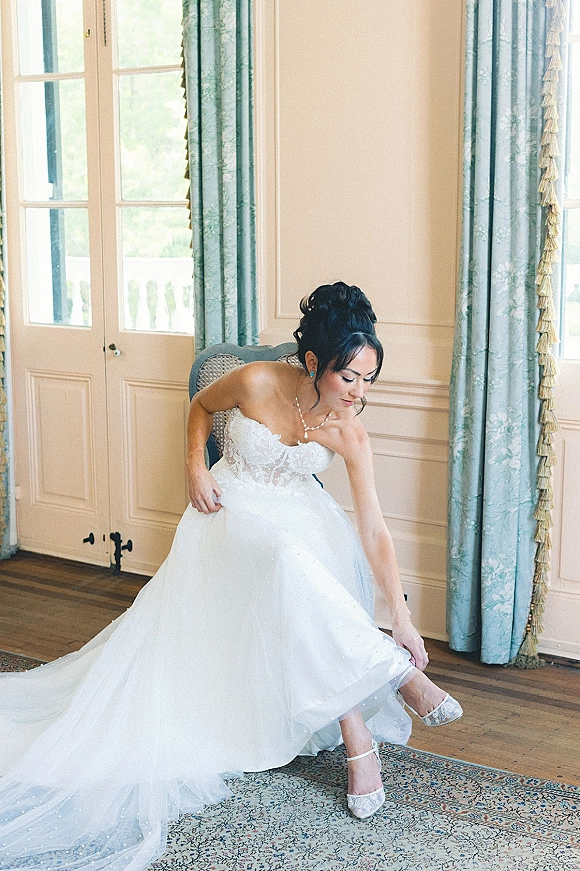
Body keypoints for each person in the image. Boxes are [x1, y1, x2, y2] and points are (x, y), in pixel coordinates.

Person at [0, 282, 461, 871]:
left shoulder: (349, 428)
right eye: (350, 378)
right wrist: (197, 467)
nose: (358, 394)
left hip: (300, 520)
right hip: (231, 512)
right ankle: (369, 714)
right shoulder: (255, 380)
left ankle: (371, 700)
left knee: (301, 564)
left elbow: (374, 531)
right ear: (315, 363)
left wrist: (403, 619)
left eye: (369, 380)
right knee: (288, 563)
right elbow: (201, 409)